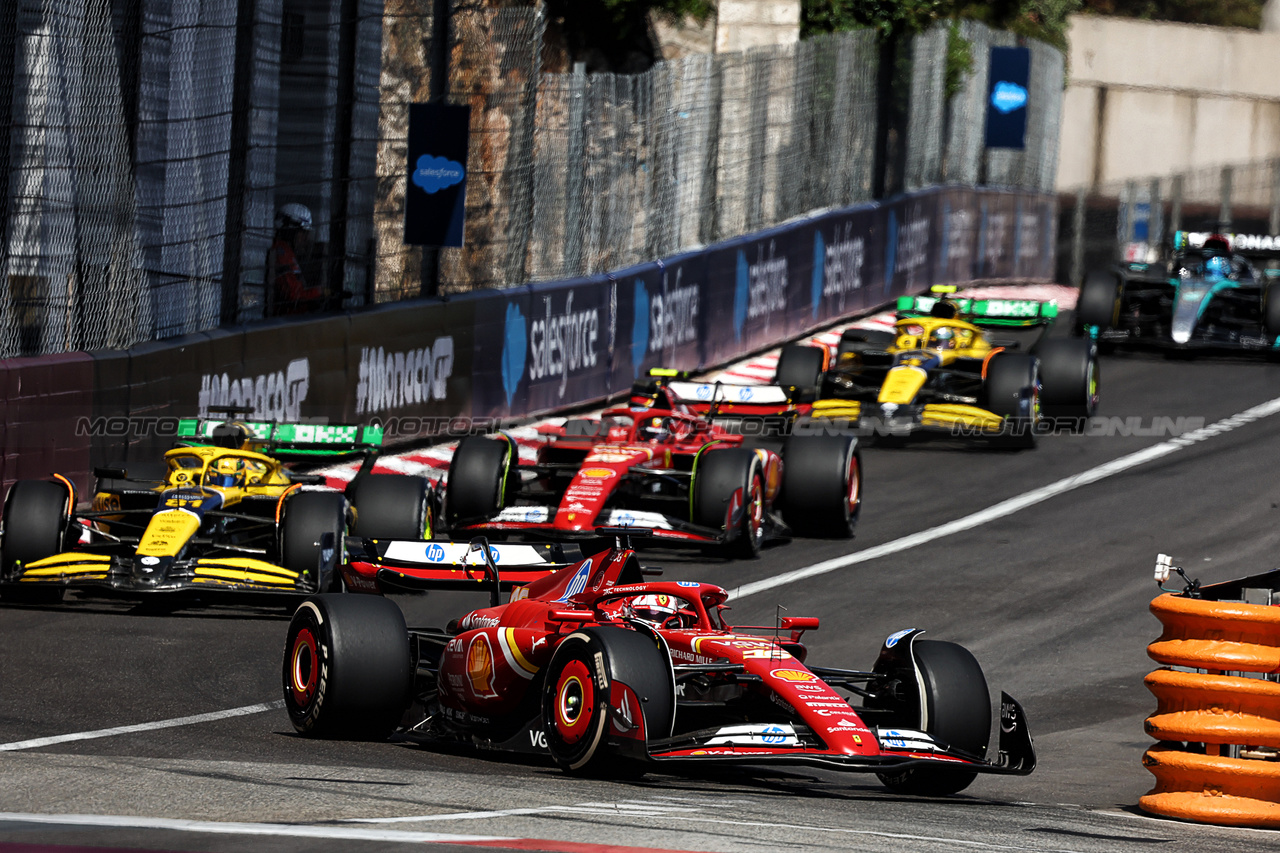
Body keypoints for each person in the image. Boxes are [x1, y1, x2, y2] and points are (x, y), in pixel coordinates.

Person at [269, 204, 323, 315]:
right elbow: (293, 295)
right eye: (302, 232)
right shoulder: (282, 252)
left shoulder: (287, 252)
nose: (305, 238)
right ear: (290, 230)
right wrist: (319, 292)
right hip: (284, 318)